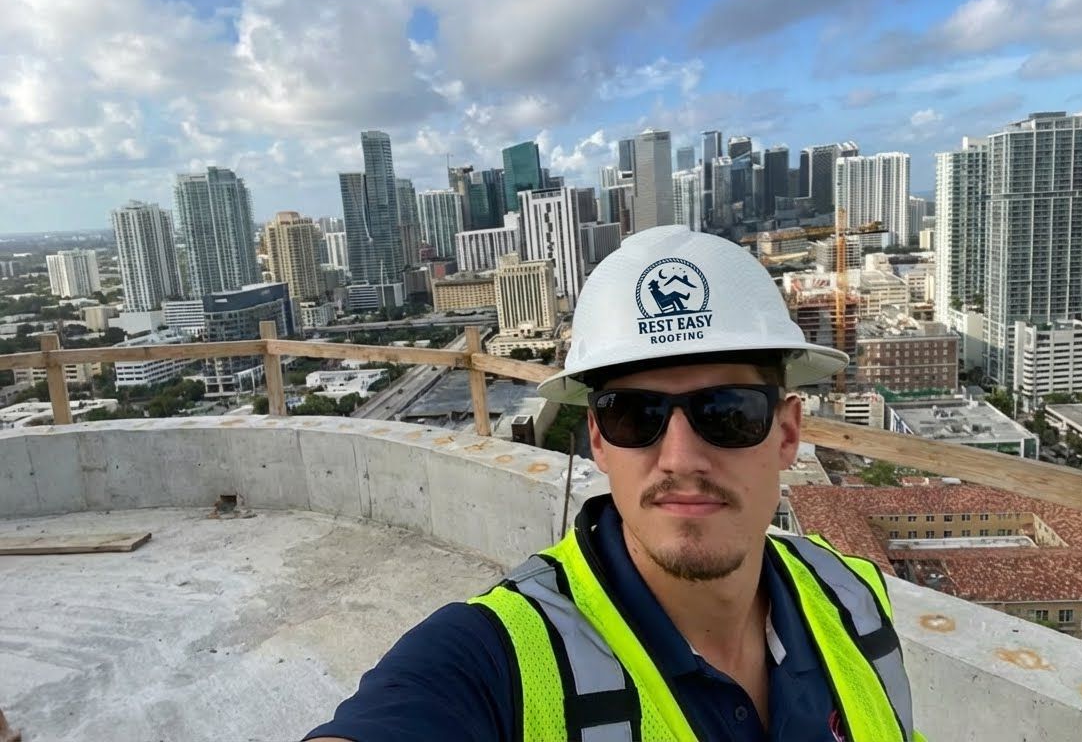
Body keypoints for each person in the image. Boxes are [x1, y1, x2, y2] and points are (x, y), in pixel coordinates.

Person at [306, 225, 925, 742]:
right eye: (634, 415)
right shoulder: (498, 659)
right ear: (599, 440)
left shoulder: (853, 599)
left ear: (787, 434)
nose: (681, 458)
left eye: (727, 413)